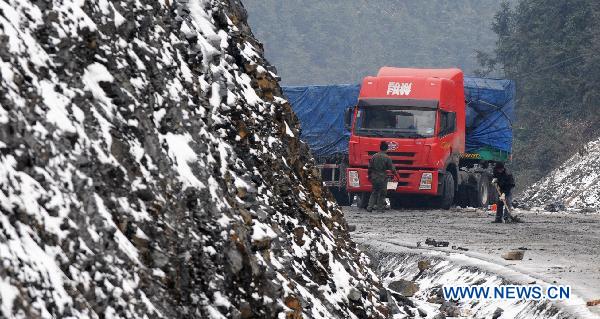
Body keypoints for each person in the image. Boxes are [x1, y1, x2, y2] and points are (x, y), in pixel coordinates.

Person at [367, 141, 397, 212]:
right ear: (386, 149)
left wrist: (369, 176)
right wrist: (396, 175)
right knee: (382, 193)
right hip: (382, 178)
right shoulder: (387, 158)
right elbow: (392, 169)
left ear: (380, 148)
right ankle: (379, 208)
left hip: (374, 177)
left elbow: (369, 167)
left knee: (374, 192)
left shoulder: (374, 156)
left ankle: (369, 207)